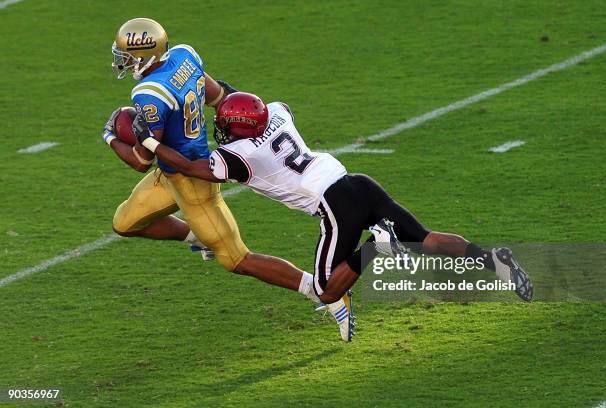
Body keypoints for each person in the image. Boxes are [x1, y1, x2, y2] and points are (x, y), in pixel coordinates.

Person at [132, 91, 534, 311]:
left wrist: (148, 140)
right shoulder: (276, 112)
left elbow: (190, 167)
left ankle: (374, 248)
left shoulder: (243, 156)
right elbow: (239, 99)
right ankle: (493, 259)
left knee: (326, 290)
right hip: (357, 182)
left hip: (334, 205)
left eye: (224, 127)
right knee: (424, 238)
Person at [101, 18, 354, 341]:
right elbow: (219, 95)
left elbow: (141, 159)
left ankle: (326, 294)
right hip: (170, 175)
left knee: (237, 259)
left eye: (129, 55)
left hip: (194, 183)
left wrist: (111, 137)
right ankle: (197, 236)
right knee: (124, 223)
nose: (124, 61)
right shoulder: (184, 55)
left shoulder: (149, 94)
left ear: (147, 55)